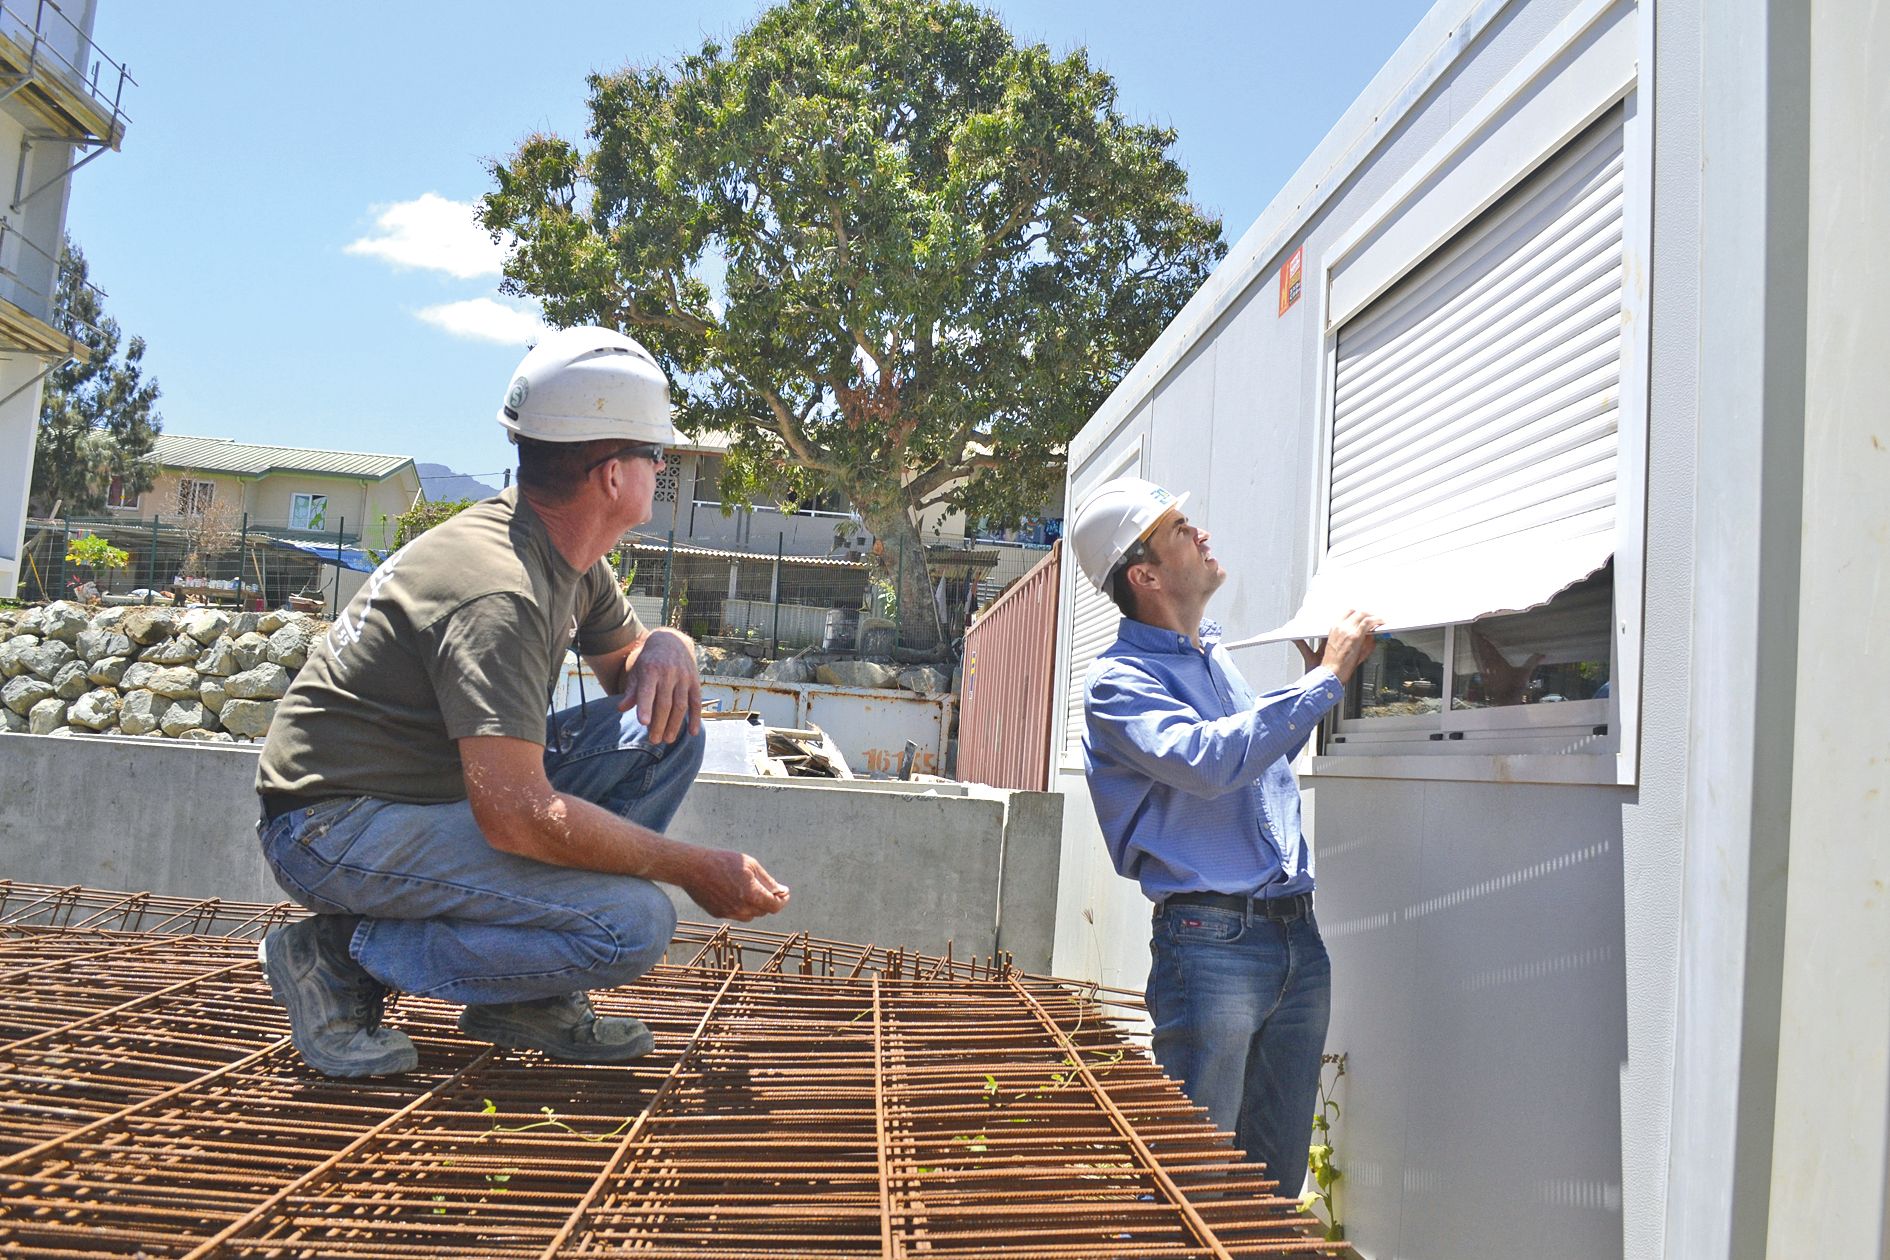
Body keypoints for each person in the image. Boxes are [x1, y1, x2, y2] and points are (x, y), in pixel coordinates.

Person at [254, 327, 790, 1079]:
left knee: (667, 733)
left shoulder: (564, 549)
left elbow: (629, 673)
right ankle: (338, 958)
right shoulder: (497, 589)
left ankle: (527, 995)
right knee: (632, 925)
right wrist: (692, 866)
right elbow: (516, 814)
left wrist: (670, 642)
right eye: (653, 453)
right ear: (610, 477)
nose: (663, 465)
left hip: (425, 794)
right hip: (334, 827)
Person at [1070, 476, 1381, 1188]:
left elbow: (1251, 766)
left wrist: (1308, 691)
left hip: (1293, 937)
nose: (1201, 534)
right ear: (1145, 574)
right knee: (1194, 1180)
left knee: (1271, 1184)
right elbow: (1210, 762)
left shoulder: (1213, 659)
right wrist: (1323, 680)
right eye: (1181, 527)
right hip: (1212, 948)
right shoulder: (1119, 683)